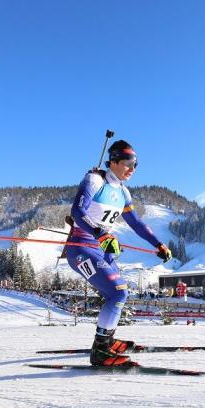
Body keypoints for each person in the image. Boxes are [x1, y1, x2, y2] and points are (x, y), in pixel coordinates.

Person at [63, 139, 172, 366]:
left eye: (136, 165)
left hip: (103, 250)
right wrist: (100, 234)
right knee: (118, 292)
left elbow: (136, 223)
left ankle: (106, 340)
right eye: (128, 163)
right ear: (113, 161)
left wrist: (158, 244)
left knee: (119, 294)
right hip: (81, 247)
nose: (132, 169)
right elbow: (77, 211)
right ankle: (100, 351)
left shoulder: (123, 192)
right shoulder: (94, 179)